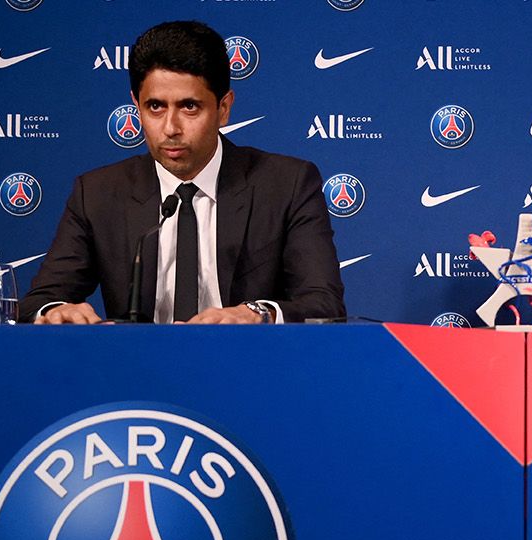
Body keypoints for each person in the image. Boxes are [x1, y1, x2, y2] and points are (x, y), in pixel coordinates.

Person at [20, 21, 346, 324]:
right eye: (155, 107)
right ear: (136, 104)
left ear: (223, 108)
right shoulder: (98, 193)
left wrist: (254, 313)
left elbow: (324, 304)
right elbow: (41, 301)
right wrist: (58, 312)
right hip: (138, 374)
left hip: (248, 370)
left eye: (189, 107)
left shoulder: (287, 184)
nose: (170, 128)